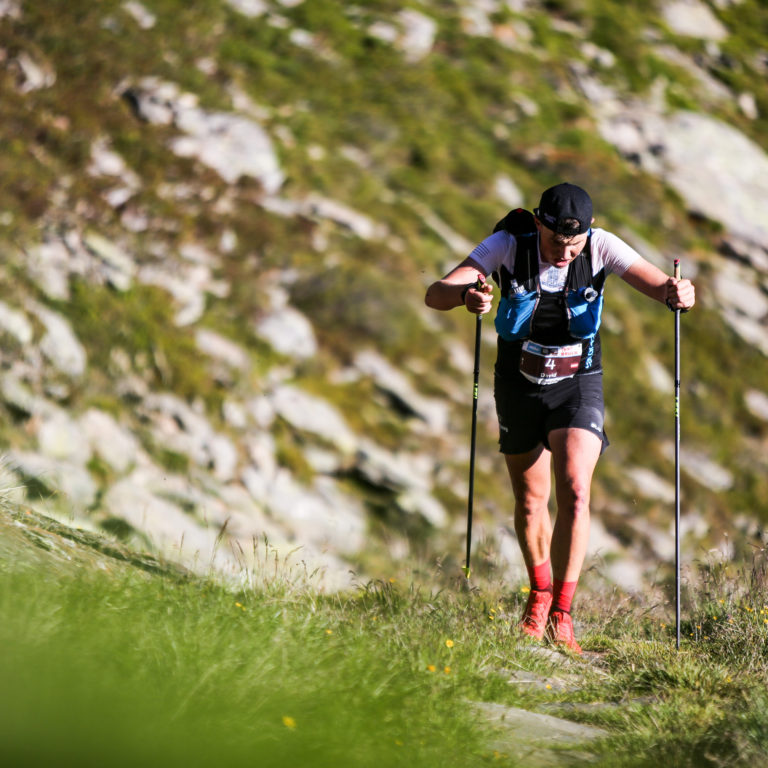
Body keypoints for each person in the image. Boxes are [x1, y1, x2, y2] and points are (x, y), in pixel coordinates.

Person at [425, 182, 695, 653]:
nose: (565, 253)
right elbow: (436, 294)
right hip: (518, 384)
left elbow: (661, 288)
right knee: (531, 502)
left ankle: (564, 614)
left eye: (574, 244)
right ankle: (539, 596)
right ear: (538, 225)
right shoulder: (508, 243)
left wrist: (680, 292)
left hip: (578, 382)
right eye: (556, 243)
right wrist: (467, 296)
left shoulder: (601, 245)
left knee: (575, 486)